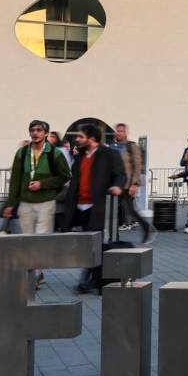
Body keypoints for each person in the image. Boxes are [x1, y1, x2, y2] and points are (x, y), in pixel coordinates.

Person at [64, 124, 126, 290]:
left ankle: (94, 279)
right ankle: (93, 278)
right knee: (88, 245)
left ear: (91, 138)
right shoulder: (80, 156)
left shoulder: (109, 154)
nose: (77, 139)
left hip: (99, 206)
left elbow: (120, 174)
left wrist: (117, 186)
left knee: (98, 245)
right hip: (81, 207)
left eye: (81, 137)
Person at [2, 119, 71, 236]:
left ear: (46, 134)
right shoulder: (22, 153)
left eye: (39, 130)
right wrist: (10, 204)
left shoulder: (55, 153)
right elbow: (15, 180)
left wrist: (42, 184)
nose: (35, 133)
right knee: (27, 237)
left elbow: (65, 176)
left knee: (42, 238)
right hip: (25, 203)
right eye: (32, 130)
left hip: (46, 202)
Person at [112, 123, 154, 244]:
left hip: (126, 184)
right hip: (115, 184)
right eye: (117, 131)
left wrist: (134, 184)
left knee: (130, 210)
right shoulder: (112, 146)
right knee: (116, 210)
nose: (119, 133)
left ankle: (147, 228)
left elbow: (137, 165)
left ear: (126, 133)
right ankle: (115, 237)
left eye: (121, 131)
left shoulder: (131, 146)